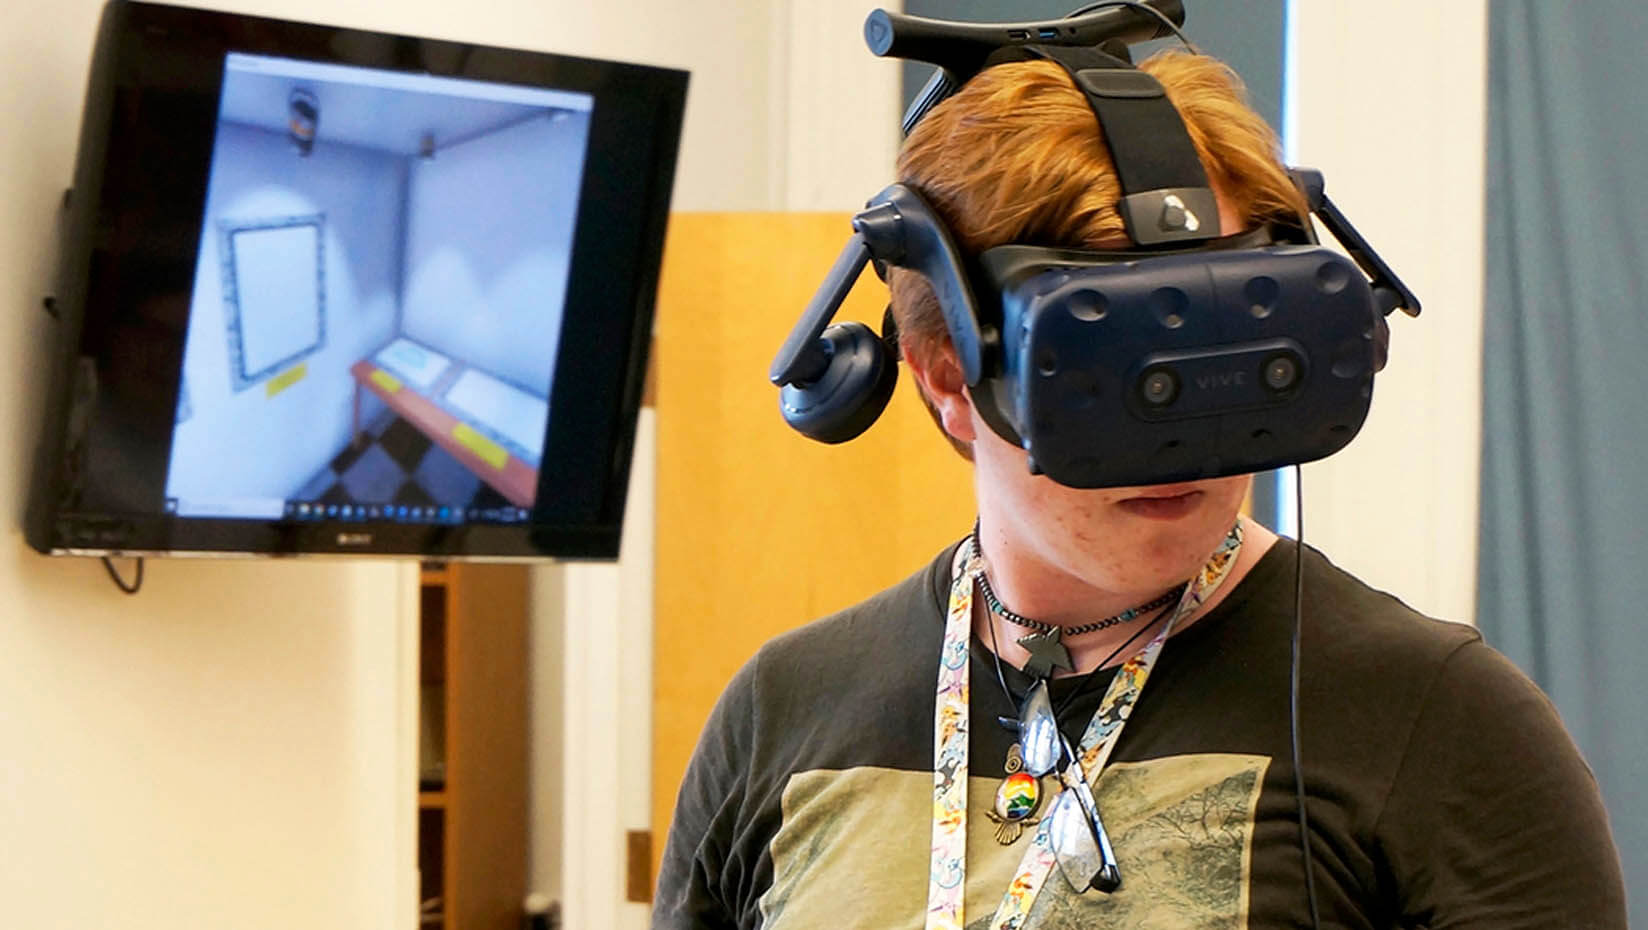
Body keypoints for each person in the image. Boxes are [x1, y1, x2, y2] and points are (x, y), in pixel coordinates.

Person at [653, 49, 1627, 930]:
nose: (1186, 443)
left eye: (1228, 358)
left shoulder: (1442, 722)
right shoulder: (782, 714)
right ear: (948, 378)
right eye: (1118, 369)